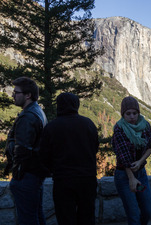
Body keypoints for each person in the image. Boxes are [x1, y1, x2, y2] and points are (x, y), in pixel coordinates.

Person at [39, 93, 99, 225]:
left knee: (65, 218)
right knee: (87, 216)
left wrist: (51, 169)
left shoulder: (52, 127)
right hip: (87, 178)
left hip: (63, 179)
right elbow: (95, 147)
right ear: (76, 105)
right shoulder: (88, 124)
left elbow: (44, 155)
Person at [7, 77, 48, 225]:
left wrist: (16, 177)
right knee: (36, 215)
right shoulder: (37, 111)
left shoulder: (28, 116)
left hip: (26, 176)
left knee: (28, 219)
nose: (13, 95)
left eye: (16, 92)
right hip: (35, 174)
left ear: (27, 95)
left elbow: (23, 150)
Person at [112, 96, 151, 225]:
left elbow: (150, 145)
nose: (132, 116)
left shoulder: (145, 125)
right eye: (128, 113)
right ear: (123, 114)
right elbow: (123, 156)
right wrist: (131, 178)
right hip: (124, 176)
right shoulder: (119, 129)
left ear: (138, 113)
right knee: (134, 215)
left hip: (141, 174)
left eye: (134, 113)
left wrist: (141, 161)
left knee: (147, 211)